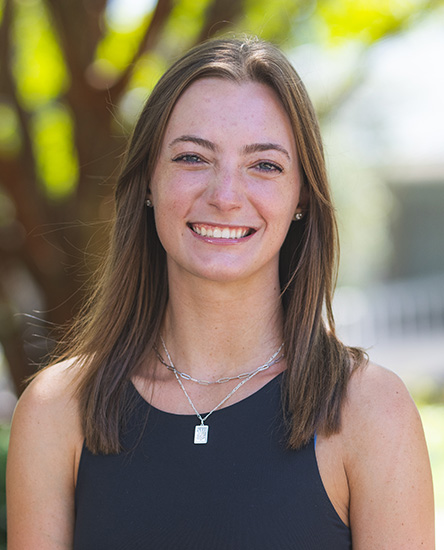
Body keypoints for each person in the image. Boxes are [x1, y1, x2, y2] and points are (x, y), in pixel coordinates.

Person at [6, 37, 434, 549]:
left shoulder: (370, 410)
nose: (225, 196)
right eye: (192, 157)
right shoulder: (57, 410)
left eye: (265, 165)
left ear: (301, 196)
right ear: (147, 181)